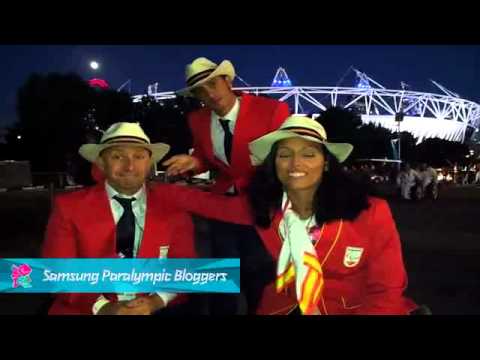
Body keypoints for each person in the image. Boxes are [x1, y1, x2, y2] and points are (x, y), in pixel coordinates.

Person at [160, 115, 418, 314]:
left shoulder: (369, 211)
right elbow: (204, 202)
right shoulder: (264, 207)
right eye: (285, 155)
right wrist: (145, 185)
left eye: (309, 154)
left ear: (326, 162)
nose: (296, 164)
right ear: (274, 163)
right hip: (282, 308)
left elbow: (387, 289)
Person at [162, 57, 290, 314]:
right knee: (224, 277)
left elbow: (284, 158)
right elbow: (206, 157)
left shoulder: (272, 110)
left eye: (213, 84)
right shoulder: (197, 120)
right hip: (221, 208)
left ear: (227, 80)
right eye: (201, 90)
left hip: (261, 208)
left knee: (260, 276)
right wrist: (193, 161)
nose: (209, 94)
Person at [42, 122, 197, 315]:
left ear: (149, 163)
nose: (129, 166)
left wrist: (155, 302)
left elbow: (183, 267)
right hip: (86, 308)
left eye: (138, 156)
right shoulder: (69, 208)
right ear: (101, 163)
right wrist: (103, 307)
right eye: (117, 156)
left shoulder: (175, 210)